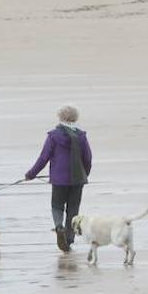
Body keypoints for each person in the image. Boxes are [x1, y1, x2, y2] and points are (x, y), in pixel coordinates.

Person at [24, 105, 93, 253]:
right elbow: (87, 158)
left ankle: (58, 227)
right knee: (73, 208)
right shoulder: (81, 136)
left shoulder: (54, 135)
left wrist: (31, 174)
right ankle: (69, 238)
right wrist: (84, 174)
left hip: (59, 179)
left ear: (61, 118)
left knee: (57, 205)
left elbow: (44, 157)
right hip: (77, 179)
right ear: (76, 118)